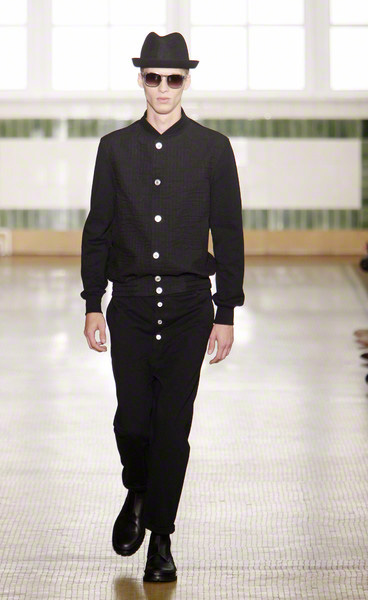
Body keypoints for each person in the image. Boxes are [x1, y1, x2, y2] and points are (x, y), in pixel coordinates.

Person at [80, 31, 245, 583]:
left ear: (186, 81)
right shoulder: (114, 148)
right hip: (128, 306)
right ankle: (137, 488)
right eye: (154, 77)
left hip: (188, 308)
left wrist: (226, 310)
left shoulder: (213, 149)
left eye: (174, 78)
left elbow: (229, 232)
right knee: (132, 421)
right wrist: (92, 301)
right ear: (141, 80)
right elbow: (98, 230)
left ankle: (161, 539)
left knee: (173, 428)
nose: (164, 88)